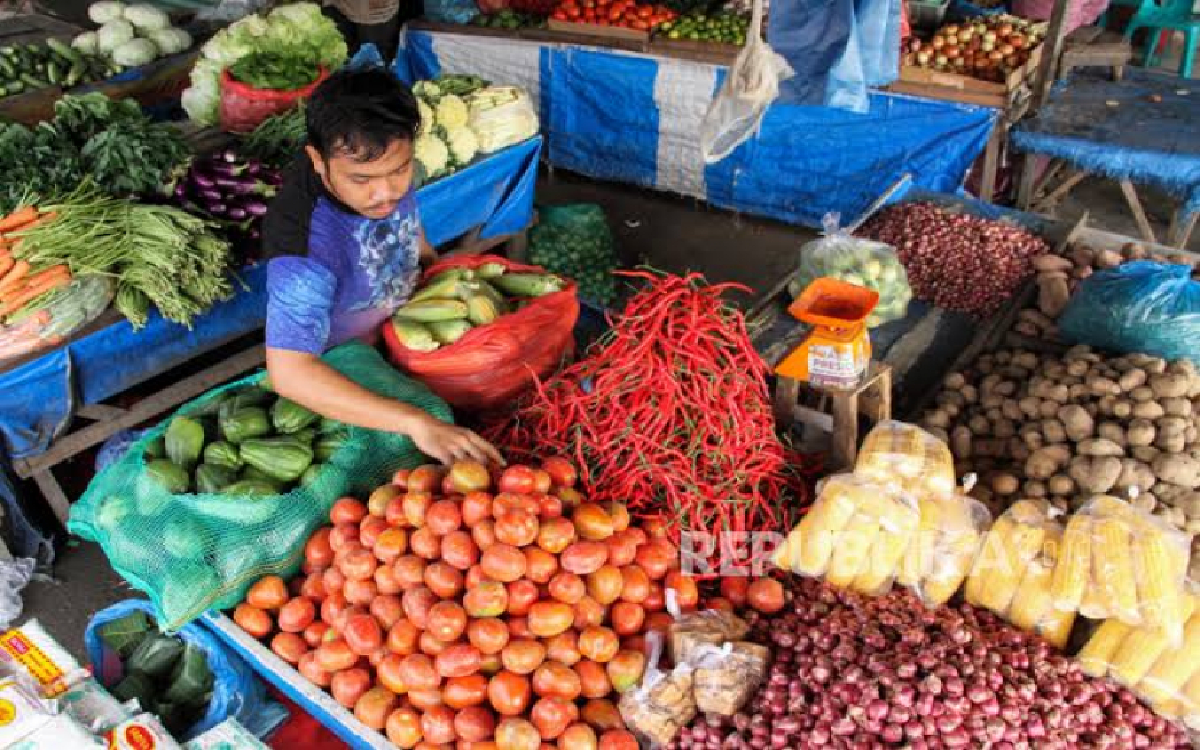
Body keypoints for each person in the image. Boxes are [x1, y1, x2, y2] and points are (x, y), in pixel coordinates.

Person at [261, 67, 502, 467]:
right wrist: (415, 423)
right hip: (342, 369)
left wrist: (430, 262)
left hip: (401, 334)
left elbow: (406, 224)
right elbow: (290, 372)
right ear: (317, 161)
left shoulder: (384, 165)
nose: (386, 193)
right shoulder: (303, 250)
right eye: (362, 179)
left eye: (400, 171)